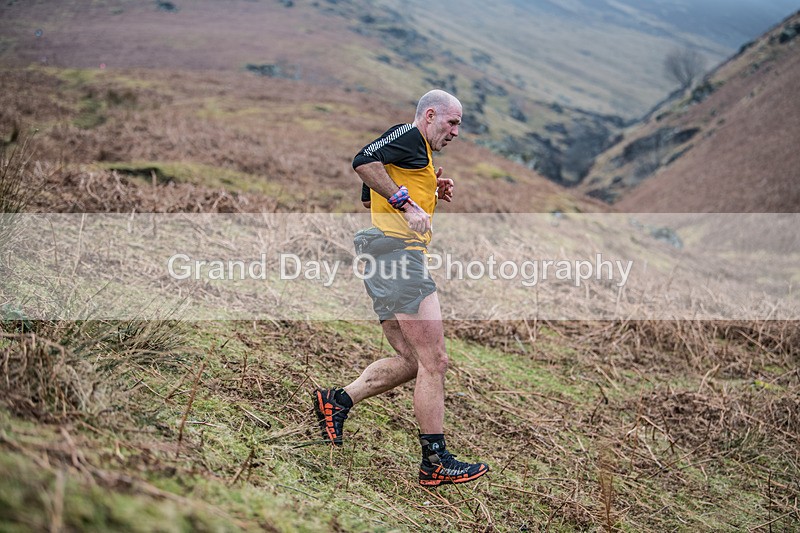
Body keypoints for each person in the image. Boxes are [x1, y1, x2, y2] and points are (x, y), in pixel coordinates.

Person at [313, 89, 489, 487]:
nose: (456, 132)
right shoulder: (409, 137)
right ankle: (435, 461)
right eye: (453, 122)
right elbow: (362, 162)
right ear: (430, 115)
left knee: (413, 361)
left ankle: (337, 401)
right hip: (398, 258)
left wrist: (428, 191)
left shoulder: (415, 153)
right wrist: (408, 205)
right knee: (435, 361)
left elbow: (368, 196)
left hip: (382, 258)